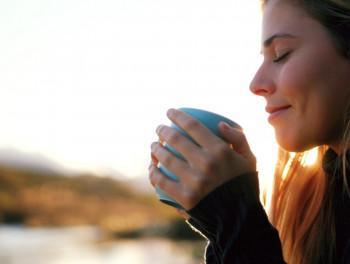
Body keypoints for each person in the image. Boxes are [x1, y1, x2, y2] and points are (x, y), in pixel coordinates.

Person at [148, 0, 350, 263]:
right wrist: (219, 221)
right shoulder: (324, 206)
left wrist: (235, 220)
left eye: (281, 54)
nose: (256, 84)